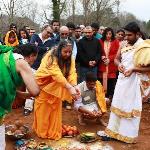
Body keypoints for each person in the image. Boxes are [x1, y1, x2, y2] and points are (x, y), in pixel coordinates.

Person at [100, 22, 150, 143]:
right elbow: (117, 59)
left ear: (138, 34)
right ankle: (113, 132)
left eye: (129, 35)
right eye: (125, 35)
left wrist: (134, 69)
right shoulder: (123, 44)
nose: (126, 37)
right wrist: (119, 65)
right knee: (117, 105)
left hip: (135, 82)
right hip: (122, 80)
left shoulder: (144, 47)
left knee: (130, 108)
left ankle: (127, 136)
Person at [33, 40, 80, 140]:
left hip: (57, 86)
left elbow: (72, 72)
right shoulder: (50, 56)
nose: (67, 54)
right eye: (65, 52)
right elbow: (56, 74)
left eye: (69, 52)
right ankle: (42, 132)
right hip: (44, 85)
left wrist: (75, 86)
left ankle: (53, 131)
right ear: (59, 50)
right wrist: (69, 87)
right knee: (43, 110)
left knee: (55, 108)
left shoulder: (70, 58)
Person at [0, 44, 39, 149]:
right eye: (34, 59)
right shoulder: (21, 62)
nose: (32, 63)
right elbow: (35, 91)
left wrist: (20, 94)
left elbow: (4, 82)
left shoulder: (6, 55)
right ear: (31, 55)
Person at [98, 27, 120, 100]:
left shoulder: (115, 41)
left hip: (111, 65)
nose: (108, 35)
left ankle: (110, 98)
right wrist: (102, 57)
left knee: (111, 82)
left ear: (112, 34)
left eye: (110, 34)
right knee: (101, 81)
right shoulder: (100, 41)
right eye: (107, 34)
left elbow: (117, 53)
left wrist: (109, 59)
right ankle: (102, 97)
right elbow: (98, 51)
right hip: (102, 64)